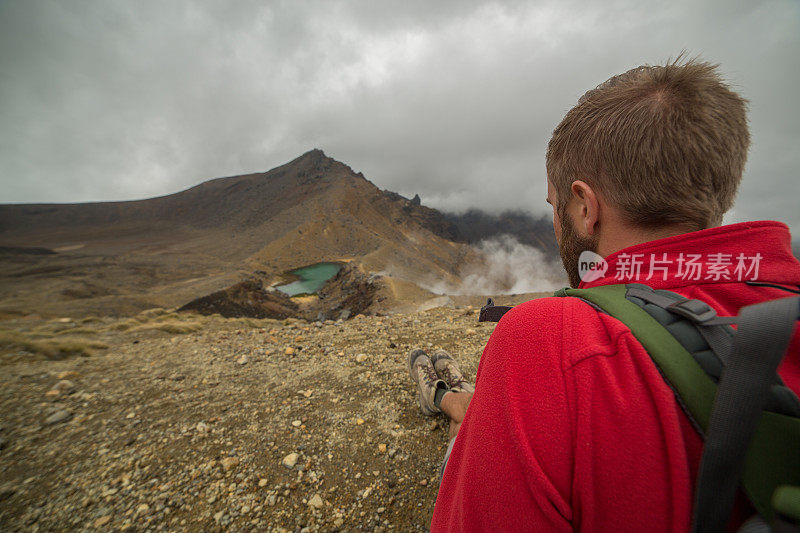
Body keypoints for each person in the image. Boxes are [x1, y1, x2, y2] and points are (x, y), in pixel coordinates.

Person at [407, 58, 800, 532]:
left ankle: (448, 398)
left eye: (556, 207)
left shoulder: (546, 342)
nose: (556, 221)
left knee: (488, 423)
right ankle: (451, 397)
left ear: (585, 207)